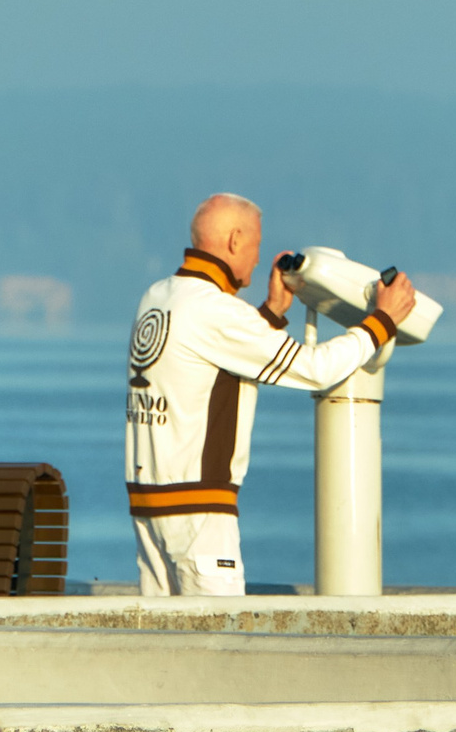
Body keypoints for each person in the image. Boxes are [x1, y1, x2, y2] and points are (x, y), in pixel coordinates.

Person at [125, 193, 418, 596]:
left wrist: (272, 313)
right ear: (234, 241)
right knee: (220, 651)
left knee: (168, 651)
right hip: (200, 514)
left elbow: (220, 364)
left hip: (148, 509)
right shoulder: (217, 311)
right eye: (257, 245)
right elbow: (316, 370)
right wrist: (382, 321)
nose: (259, 258)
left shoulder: (158, 297)